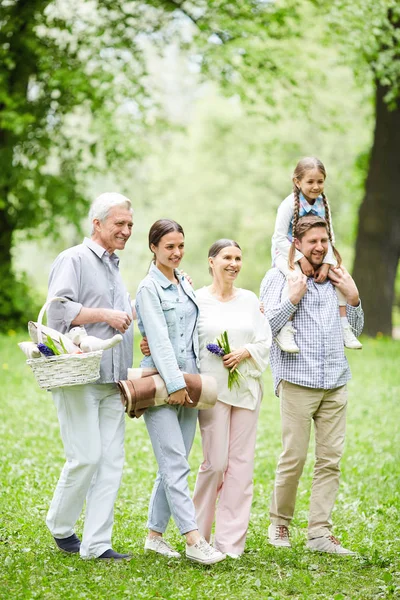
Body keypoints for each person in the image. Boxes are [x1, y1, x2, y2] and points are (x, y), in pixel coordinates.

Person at [260, 215, 364, 555]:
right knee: (294, 457)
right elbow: (267, 329)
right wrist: (292, 298)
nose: (319, 247)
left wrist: (354, 296)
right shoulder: (279, 277)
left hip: (335, 380)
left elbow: (356, 330)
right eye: (312, 242)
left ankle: (319, 533)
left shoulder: (336, 277)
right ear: (297, 245)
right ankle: (280, 525)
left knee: (330, 460)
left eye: (324, 241)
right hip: (298, 381)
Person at [45, 192, 134, 560]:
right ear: (97, 224)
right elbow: (57, 311)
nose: (126, 230)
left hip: (112, 379)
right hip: (78, 376)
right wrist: (104, 315)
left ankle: (97, 545)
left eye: (130, 224)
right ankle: (61, 526)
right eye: (120, 223)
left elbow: (125, 318)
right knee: (86, 456)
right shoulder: (74, 259)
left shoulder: (114, 265)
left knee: (111, 462)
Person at [135, 219, 226, 565]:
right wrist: (174, 385)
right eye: (169, 246)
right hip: (161, 383)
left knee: (174, 462)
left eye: (180, 246)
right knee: (174, 462)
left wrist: (188, 383)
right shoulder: (148, 288)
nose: (176, 252)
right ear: (154, 247)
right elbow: (157, 340)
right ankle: (192, 538)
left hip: (191, 383)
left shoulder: (185, 282)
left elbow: (193, 331)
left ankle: (155, 536)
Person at [192, 239, 271, 558]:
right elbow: (184, 340)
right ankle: (198, 536)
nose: (234, 263)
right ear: (211, 262)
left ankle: (230, 543)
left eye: (239, 258)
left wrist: (246, 352)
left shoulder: (251, 300)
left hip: (246, 391)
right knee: (215, 464)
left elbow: (265, 339)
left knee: (241, 466)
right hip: (212, 391)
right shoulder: (196, 300)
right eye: (227, 257)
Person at [271, 156, 362, 353]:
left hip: (318, 251)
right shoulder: (289, 205)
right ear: (297, 181)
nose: (315, 186)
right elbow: (278, 238)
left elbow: (331, 238)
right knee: (294, 277)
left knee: (339, 274)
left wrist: (328, 264)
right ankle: (286, 329)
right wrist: (300, 259)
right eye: (310, 181)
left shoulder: (323, 203)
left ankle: (344, 325)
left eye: (320, 181)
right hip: (285, 252)